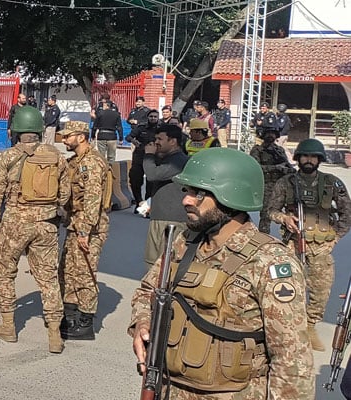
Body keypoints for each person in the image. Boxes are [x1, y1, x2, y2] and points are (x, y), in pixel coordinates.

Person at [130, 148, 314, 399]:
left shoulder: (270, 261)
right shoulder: (184, 242)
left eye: (199, 193)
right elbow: (147, 292)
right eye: (188, 191)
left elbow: (291, 358)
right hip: (170, 389)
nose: (186, 200)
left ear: (231, 197)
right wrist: (142, 323)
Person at [0, 106, 69, 354]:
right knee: (48, 277)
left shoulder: (8, 157)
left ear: (18, 130)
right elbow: (64, 194)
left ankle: (8, 326)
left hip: (15, 223)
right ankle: (54, 334)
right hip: (46, 225)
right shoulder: (56, 156)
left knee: (4, 271)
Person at [268, 138, 351, 351]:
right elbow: (271, 210)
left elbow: (346, 213)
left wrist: (336, 238)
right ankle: (288, 328)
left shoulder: (332, 182)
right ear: (298, 158)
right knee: (286, 287)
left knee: (321, 291)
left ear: (319, 159)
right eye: (305, 156)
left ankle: (310, 325)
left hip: (321, 247)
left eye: (313, 156)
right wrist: (284, 219)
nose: (309, 160)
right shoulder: (285, 182)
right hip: (291, 245)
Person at [57, 121, 110, 341]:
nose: (65, 140)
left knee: (85, 273)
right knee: (68, 271)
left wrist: (84, 231)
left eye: (68, 136)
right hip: (75, 223)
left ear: (81, 137)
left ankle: (85, 323)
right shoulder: (76, 161)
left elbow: (92, 198)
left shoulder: (91, 163)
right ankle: (69, 315)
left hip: (89, 227)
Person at [142, 124, 188, 269]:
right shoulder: (167, 158)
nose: (156, 143)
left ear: (173, 141)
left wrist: (148, 155)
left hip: (171, 222)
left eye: (160, 139)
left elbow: (152, 175)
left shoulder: (178, 160)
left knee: (164, 265)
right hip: (160, 218)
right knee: (153, 264)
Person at [249, 126, 294, 234]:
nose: (270, 136)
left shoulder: (279, 150)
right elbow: (255, 167)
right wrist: (276, 168)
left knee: (290, 211)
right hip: (266, 184)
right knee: (266, 213)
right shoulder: (257, 150)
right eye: (268, 133)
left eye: (273, 134)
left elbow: (287, 165)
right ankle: (263, 236)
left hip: (281, 185)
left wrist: (289, 170)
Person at [126, 109, 160, 211]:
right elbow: (128, 137)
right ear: (148, 117)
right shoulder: (141, 127)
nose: (153, 118)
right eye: (151, 116)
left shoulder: (161, 129)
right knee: (135, 180)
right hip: (139, 157)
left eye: (155, 117)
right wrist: (134, 141)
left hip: (154, 159)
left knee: (151, 183)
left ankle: (147, 205)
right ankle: (138, 202)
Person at [91, 95, 123, 162]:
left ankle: (102, 170)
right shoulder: (116, 114)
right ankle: (111, 170)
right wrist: (121, 138)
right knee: (111, 157)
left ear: (107, 106)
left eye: (104, 105)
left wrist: (92, 136)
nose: (103, 107)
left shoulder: (100, 113)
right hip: (112, 137)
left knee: (101, 156)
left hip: (101, 136)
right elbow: (119, 127)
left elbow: (95, 126)